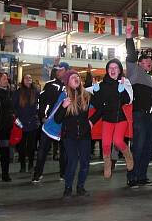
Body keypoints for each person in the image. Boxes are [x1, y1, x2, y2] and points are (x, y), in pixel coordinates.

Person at [125, 25, 152, 188]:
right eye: (145, 61)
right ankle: (132, 176)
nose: (149, 63)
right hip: (139, 115)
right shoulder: (135, 73)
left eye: (150, 61)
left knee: (148, 147)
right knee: (138, 147)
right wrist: (129, 37)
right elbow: (131, 56)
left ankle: (142, 175)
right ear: (139, 63)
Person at [89, 58, 134, 179]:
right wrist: (97, 92)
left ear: (119, 70)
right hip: (107, 118)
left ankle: (128, 156)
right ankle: (107, 164)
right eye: (110, 68)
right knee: (105, 144)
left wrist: (122, 89)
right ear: (107, 70)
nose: (113, 70)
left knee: (118, 141)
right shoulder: (102, 85)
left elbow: (128, 100)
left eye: (115, 68)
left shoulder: (124, 81)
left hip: (121, 117)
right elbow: (99, 104)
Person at [53, 69, 92, 197]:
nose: (76, 78)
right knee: (73, 161)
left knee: (85, 162)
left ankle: (80, 187)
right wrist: (63, 107)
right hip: (69, 136)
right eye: (72, 77)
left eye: (77, 76)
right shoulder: (63, 96)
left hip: (85, 135)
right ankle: (68, 187)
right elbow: (57, 119)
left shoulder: (87, 95)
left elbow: (101, 108)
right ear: (68, 82)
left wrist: (92, 121)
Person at [33, 61, 70, 183]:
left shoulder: (71, 87)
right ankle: (37, 174)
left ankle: (64, 174)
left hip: (65, 123)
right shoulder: (49, 85)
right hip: (49, 122)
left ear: (66, 71)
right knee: (43, 149)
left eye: (61, 70)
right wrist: (42, 116)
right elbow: (41, 101)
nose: (58, 72)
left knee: (64, 150)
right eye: (57, 70)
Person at [13, 74, 40, 173]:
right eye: (26, 78)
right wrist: (17, 118)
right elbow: (14, 106)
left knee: (32, 146)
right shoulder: (18, 93)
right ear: (23, 80)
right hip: (21, 123)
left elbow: (39, 105)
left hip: (32, 123)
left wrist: (37, 116)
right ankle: (23, 165)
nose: (28, 79)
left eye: (30, 78)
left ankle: (31, 164)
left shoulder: (36, 92)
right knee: (22, 146)